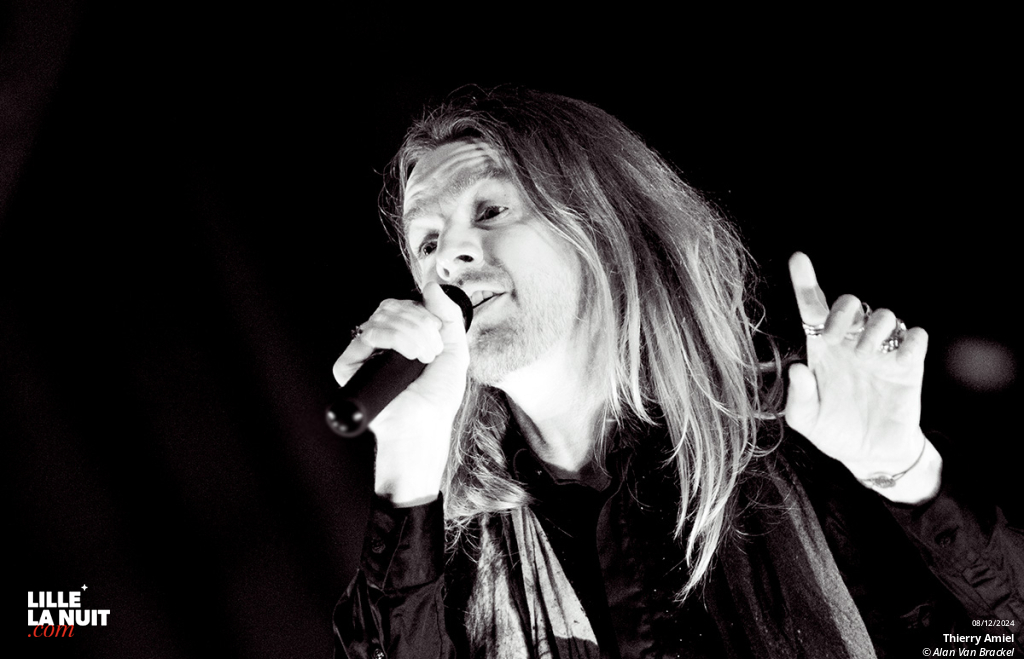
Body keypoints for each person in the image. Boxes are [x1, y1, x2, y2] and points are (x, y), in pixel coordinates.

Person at [332, 87, 1023, 658]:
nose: (448, 254)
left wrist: (904, 471)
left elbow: (991, 640)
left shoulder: (798, 433)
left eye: (489, 209)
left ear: (597, 223)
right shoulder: (447, 549)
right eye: (426, 241)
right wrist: (408, 454)